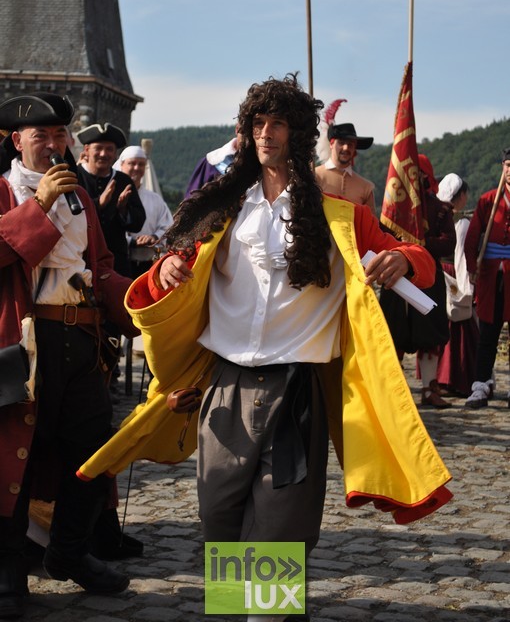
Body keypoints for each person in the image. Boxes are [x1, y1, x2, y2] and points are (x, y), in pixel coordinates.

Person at [80, 74, 452, 622]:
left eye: (278, 123)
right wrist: (169, 270)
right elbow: (167, 272)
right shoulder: (220, 206)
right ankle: (248, 612)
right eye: (257, 122)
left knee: (277, 531)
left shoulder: (338, 212)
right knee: (221, 520)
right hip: (222, 385)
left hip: (295, 392)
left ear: (298, 133)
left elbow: (416, 259)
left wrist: (404, 261)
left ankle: (268, 615)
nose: (265, 133)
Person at [0, 93, 139, 619]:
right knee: (18, 455)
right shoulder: (4, 190)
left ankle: (69, 552)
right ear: (18, 141)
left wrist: (150, 301)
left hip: (79, 341)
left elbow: (99, 269)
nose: (55, 146)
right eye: (43, 136)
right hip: (23, 343)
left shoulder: (80, 197)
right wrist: (38, 209)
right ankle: (9, 569)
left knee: (92, 452)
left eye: (61, 136)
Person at [379, 153, 456, 408]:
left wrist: (421, 244)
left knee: (429, 335)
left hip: (428, 277)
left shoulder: (441, 209)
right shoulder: (393, 209)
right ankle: (394, 390)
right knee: (395, 333)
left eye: (419, 173)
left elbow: (449, 242)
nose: (415, 178)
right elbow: (383, 237)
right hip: (396, 277)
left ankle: (429, 389)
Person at [464, 148, 510, 409]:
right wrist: (472, 267)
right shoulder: (487, 200)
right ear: (502, 166)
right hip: (490, 276)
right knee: (488, 334)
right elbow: (472, 239)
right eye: (507, 165)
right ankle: (480, 386)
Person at [76, 123, 146, 277]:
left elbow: (138, 223)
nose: (103, 154)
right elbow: (66, 214)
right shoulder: (74, 176)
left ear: (115, 155)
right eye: (98, 148)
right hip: (79, 260)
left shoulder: (123, 180)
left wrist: (123, 209)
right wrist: (98, 204)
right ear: (87, 150)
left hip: (116, 263)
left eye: (109, 149)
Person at [436, 174, 478, 397]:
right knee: (459, 326)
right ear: (460, 196)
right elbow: (461, 256)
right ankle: (455, 379)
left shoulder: (436, 216)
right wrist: (466, 290)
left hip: (438, 274)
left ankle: (439, 378)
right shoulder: (460, 222)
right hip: (453, 277)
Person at [114, 145, 173, 278]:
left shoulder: (155, 199)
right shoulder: (112, 194)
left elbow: (168, 226)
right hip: (120, 263)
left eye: (141, 164)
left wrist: (154, 237)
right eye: (132, 163)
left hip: (148, 264)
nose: (136, 168)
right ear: (122, 164)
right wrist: (132, 241)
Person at [315, 100, 376, 214]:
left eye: (351, 144)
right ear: (331, 144)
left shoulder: (365, 187)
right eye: (341, 142)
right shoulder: (314, 177)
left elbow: (371, 226)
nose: (346, 148)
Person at [184, 126, 241, 198]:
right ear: (237, 129)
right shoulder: (211, 163)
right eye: (245, 130)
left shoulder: (258, 167)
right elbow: (190, 203)